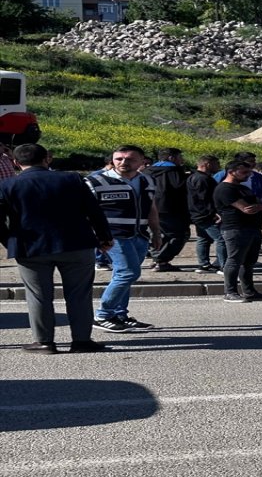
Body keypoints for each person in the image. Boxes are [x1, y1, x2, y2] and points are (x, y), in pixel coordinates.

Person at [0, 143, 114, 353]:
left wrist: (9, 242)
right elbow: (93, 210)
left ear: (16, 163)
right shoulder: (72, 179)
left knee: (38, 295)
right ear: (47, 159)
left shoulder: (8, 186)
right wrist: (104, 237)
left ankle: (44, 342)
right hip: (76, 244)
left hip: (30, 247)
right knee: (79, 294)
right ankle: (81, 340)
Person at [85, 144, 163, 332]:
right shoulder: (95, 181)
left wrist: (156, 231)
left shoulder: (146, 181)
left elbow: (151, 208)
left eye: (130, 159)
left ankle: (120, 314)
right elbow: (84, 211)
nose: (123, 162)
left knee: (124, 275)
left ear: (142, 161)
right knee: (128, 273)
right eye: (119, 158)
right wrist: (96, 236)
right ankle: (103, 315)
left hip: (139, 235)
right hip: (114, 236)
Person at [215, 160, 262, 303]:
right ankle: (230, 292)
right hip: (235, 228)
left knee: (248, 262)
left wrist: (260, 206)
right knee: (234, 260)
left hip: (253, 227)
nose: (248, 175)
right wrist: (260, 206)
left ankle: (249, 291)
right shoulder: (225, 188)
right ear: (231, 172)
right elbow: (247, 209)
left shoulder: (244, 188)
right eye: (244, 172)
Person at [143, 147, 189, 272]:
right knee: (179, 235)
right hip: (171, 209)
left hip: (150, 207)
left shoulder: (147, 171)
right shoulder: (175, 171)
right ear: (171, 158)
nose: (182, 160)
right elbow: (181, 189)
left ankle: (156, 259)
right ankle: (161, 261)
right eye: (180, 157)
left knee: (156, 234)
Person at [187, 154, 225, 274]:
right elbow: (204, 198)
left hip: (198, 214)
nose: (218, 166)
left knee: (203, 238)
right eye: (216, 163)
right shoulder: (202, 179)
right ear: (208, 164)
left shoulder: (197, 177)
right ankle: (223, 266)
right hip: (205, 215)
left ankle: (204, 265)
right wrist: (213, 213)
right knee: (221, 239)